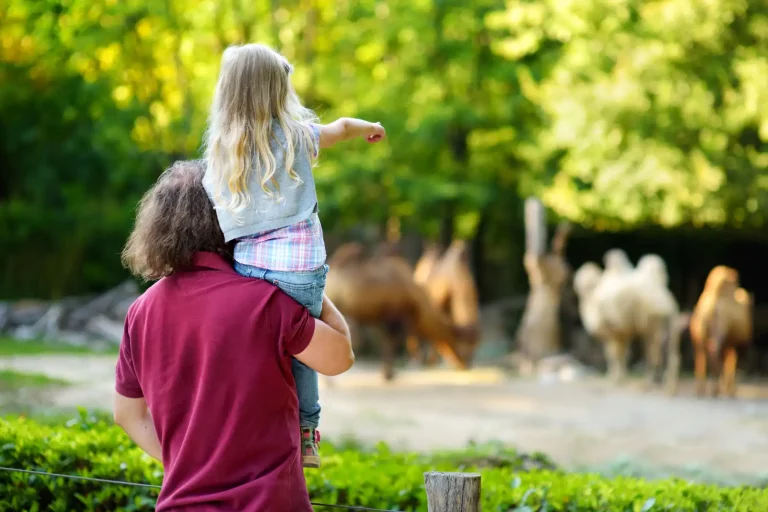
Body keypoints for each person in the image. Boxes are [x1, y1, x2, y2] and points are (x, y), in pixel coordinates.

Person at [114, 160, 354, 511]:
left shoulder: (141, 312)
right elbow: (340, 357)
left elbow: (127, 414)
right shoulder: (267, 302)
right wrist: (307, 286)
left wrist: (190, 468)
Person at [202, 42, 385, 468]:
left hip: (248, 272)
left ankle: (245, 419)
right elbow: (341, 127)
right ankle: (306, 432)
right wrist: (371, 127)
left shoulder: (222, 151)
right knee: (303, 347)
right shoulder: (297, 135)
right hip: (300, 272)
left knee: (261, 346)